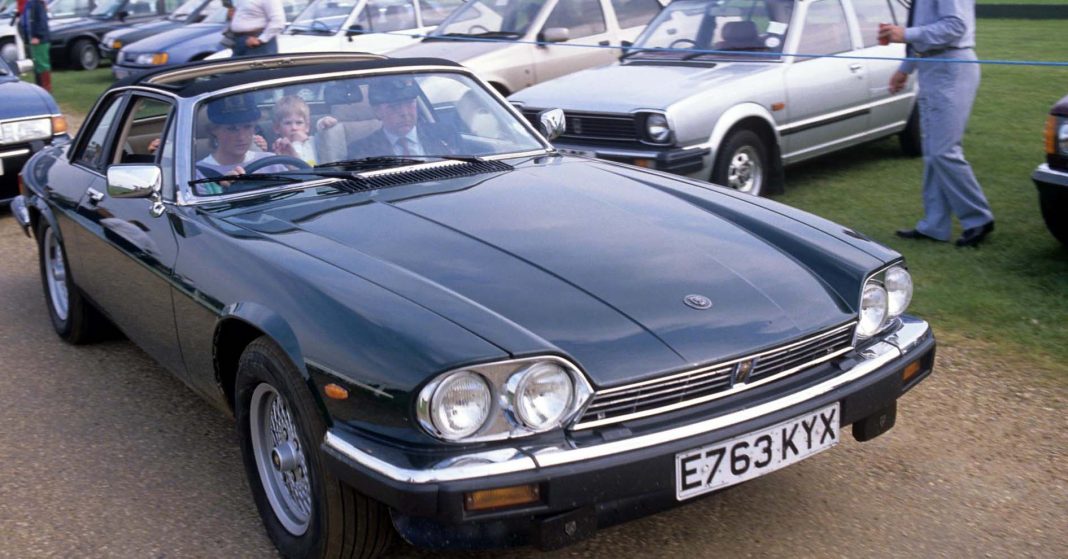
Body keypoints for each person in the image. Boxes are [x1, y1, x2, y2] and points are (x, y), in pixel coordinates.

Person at [879, 0, 994, 247]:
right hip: (931, 65)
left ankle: (978, 219)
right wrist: (905, 68)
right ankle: (935, 225)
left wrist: (905, 34)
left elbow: (955, 26)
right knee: (932, 152)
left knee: (944, 151)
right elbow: (926, 27)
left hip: (951, 66)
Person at [195, 94, 290, 194]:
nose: (242, 137)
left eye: (248, 127)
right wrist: (224, 191)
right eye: (232, 129)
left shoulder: (271, 162)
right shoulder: (200, 175)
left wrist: (293, 165)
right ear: (214, 130)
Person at [349, 76, 457, 158]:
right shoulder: (361, 150)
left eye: (410, 103)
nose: (405, 113)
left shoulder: (444, 133)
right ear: (377, 112)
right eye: (393, 107)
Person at [272, 95, 336, 166]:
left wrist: (324, 122)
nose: (294, 128)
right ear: (277, 128)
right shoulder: (280, 148)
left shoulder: (312, 141)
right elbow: (296, 166)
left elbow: (322, 134)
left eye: (299, 123)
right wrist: (297, 143)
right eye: (288, 123)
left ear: (307, 127)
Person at [19, 0, 50, 92]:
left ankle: (46, 89)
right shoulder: (30, 3)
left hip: (40, 40)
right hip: (33, 39)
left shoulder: (38, 3)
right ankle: (40, 88)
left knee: (42, 65)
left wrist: (37, 36)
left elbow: (42, 21)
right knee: (37, 65)